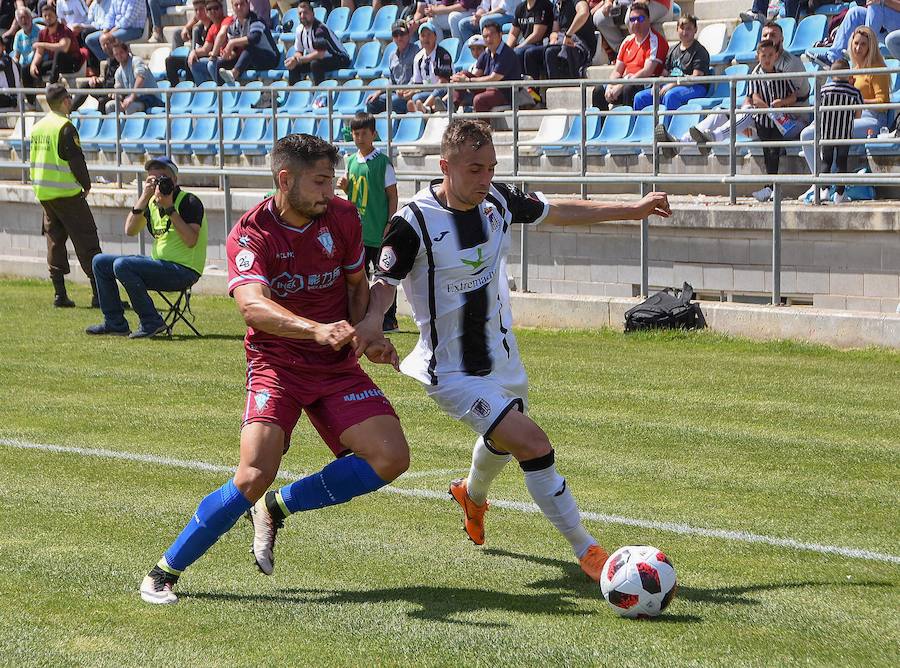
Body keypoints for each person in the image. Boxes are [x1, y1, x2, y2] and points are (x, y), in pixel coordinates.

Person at [356, 119, 671, 583]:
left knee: (505, 439)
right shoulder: (414, 222)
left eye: (491, 168)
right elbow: (384, 285)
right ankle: (588, 551)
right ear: (446, 166)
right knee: (533, 443)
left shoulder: (498, 200)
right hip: (451, 371)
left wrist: (634, 208)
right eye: (474, 170)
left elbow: (561, 209)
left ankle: (471, 494)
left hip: (503, 359)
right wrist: (370, 324)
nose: (485, 179)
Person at [139, 134, 408, 604]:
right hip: (277, 364)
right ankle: (164, 571)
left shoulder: (342, 217)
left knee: (390, 457)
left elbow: (357, 285)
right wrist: (315, 331)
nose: (331, 190)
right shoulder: (250, 233)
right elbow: (253, 307)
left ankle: (279, 506)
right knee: (253, 472)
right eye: (320, 181)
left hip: (335, 365)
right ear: (285, 179)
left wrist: (366, 331)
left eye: (332, 179)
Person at [87, 157, 207, 337]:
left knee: (122, 265)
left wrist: (170, 208)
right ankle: (115, 323)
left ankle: (151, 322)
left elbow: (191, 240)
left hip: (183, 271)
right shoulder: (151, 203)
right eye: (153, 180)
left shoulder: (189, 201)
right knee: (100, 261)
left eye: (162, 179)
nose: (158, 184)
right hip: (158, 265)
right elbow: (130, 230)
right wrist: (144, 197)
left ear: (174, 180)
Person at [680, 20, 807, 150]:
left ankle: (714, 137)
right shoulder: (759, 68)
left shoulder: (791, 64)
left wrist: (748, 116)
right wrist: (742, 121)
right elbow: (749, 98)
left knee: (749, 113)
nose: (768, 38)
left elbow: (789, 101)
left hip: (790, 123)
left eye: (773, 35)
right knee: (721, 112)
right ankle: (681, 143)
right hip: (766, 121)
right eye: (765, 35)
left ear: (782, 39)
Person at [29, 83, 101, 308]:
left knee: (55, 242)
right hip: (67, 193)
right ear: (65, 101)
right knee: (87, 240)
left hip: (45, 194)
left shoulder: (38, 127)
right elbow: (76, 160)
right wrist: (86, 184)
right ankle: (100, 294)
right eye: (69, 98)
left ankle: (59, 294)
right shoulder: (65, 127)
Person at [798, 26, 889, 201]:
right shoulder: (852, 67)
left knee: (831, 131)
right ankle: (819, 181)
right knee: (808, 133)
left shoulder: (877, 67)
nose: (858, 48)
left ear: (871, 46)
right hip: (844, 114)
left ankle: (827, 185)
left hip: (869, 118)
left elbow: (883, 103)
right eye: (856, 43)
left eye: (863, 44)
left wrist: (858, 102)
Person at [338, 113, 400, 333]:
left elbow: (392, 195)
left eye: (364, 133)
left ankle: (389, 319)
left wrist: (390, 223)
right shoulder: (351, 161)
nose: (360, 137)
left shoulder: (383, 163)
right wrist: (345, 187)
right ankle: (361, 316)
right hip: (357, 231)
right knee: (358, 276)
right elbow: (352, 193)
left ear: (374, 134)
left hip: (378, 229)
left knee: (385, 275)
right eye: (356, 133)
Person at [746, 39, 801, 202]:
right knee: (767, 152)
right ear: (758, 57)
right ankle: (770, 186)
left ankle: (771, 187)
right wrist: (769, 109)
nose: (767, 59)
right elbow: (754, 98)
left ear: (776, 55)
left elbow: (793, 96)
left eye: (770, 55)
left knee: (774, 152)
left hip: (779, 122)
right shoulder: (755, 76)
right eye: (764, 56)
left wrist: (781, 103)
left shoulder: (782, 75)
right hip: (763, 121)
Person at [806, 59, 863, 204]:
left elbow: (816, 111)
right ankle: (839, 193)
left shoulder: (823, 90)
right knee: (841, 162)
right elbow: (858, 114)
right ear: (848, 74)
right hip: (844, 133)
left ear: (831, 74)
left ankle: (824, 190)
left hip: (826, 133)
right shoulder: (854, 91)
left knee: (826, 161)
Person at [591, 1, 667, 110]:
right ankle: (602, 125)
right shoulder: (627, 41)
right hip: (625, 82)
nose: (636, 23)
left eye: (640, 19)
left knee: (628, 88)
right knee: (599, 90)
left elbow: (647, 71)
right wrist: (611, 86)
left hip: (645, 83)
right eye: (632, 20)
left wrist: (621, 86)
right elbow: (617, 71)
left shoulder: (655, 41)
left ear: (648, 20)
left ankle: (629, 125)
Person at [635, 13, 708, 111]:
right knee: (640, 97)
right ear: (677, 29)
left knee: (671, 95)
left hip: (695, 86)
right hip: (671, 85)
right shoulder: (672, 50)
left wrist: (673, 84)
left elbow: (696, 78)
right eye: (682, 28)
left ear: (695, 29)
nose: (685, 32)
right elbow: (664, 73)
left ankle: (667, 126)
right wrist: (657, 84)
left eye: (689, 28)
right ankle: (644, 126)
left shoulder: (700, 51)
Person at [807, 0, 900, 69]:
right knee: (855, 12)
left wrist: (883, 1)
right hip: (885, 27)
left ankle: (866, 55)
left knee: (876, 4)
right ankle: (832, 58)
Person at [451, 21, 521, 112]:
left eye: (491, 35)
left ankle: (484, 126)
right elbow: (476, 74)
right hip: (488, 88)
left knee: (479, 100)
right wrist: (460, 79)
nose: (488, 39)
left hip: (504, 93)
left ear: (500, 35)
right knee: (463, 74)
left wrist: (468, 81)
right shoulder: (486, 53)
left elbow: (494, 78)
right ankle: (451, 106)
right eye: (485, 36)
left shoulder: (507, 53)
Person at [209, 0, 279, 85]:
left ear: (248, 4)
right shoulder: (233, 25)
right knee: (221, 63)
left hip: (269, 58)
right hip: (249, 60)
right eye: (236, 5)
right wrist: (230, 55)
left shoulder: (256, 19)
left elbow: (254, 38)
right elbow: (235, 50)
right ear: (232, 7)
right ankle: (221, 93)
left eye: (242, 4)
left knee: (250, 47)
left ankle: (234, 74)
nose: (239, 7)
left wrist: (232, 43)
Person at [285, 0, 350, 85]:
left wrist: (300, 60)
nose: (302, 16)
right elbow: (298, 51)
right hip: (321, 59)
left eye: (305, 13)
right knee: (293, 66)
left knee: (315, 64)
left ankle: (319, 93)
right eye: (300, 13)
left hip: (339, 58)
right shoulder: (299, 30)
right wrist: (295, 59)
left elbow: (320, 54)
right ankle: (294, 93)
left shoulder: (319, 29)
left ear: (312, 13)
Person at [365, 19, 417, 115]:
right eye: (395, 35)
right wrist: (379, 92)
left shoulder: (416, 52)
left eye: (402, 34)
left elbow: (418, 77)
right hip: (395, 93)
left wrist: (406, 89)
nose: (399, 38)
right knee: (372, 103)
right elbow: (391, 81)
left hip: (409, 93)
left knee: (394, 102)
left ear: (408, 35)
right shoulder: (392, 56)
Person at [536, 0, 597, 81]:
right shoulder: (557, 5)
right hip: (562, 41)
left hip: (580, 44)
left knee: (550, 52)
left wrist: (568, 35)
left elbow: (583, 13)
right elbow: (555, 30)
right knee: (530, 54)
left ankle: (556, 89)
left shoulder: (576, 1)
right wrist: (553, 38)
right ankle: (533, 90)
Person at [30, 2, 85, 84]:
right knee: (27, 68)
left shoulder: (64, 29)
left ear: (56, 16)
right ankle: (31, 95)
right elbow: (39, 53)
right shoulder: (42, 33)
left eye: (50, 15)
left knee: (59, 54)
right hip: (55, 62)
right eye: (45, 16)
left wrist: (41, 44)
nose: (48, 18)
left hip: (72, 62)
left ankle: (52, 83)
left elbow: (63, 48)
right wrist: (33, 64)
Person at [105, 41, 163, 114]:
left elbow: (140, 77)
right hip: (134, 100)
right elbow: (119, 90)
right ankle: (116, 125)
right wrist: (117, 97)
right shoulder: (118, 72)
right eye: (116, 54)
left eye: (121, 52)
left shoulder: (136, 61)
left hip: (150, 99)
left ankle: (130, 125)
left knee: (129, 106)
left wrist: (132, 97)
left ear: (127, 51)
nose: (119, 56)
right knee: (110, 106)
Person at [408, 21, 453, 112]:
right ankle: (425, 110)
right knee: (416, 97)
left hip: (444, 89)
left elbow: (444, 81)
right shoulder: (418, 57)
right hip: (426, 90)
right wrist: (409, 92)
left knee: (441, 89)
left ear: (435, 37)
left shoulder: (443, 54)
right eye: (423, 35)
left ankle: (424, 108)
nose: (426, 38)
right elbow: (417, 83)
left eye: (429, 35)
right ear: (419, 38)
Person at [165, 0, 212, 83]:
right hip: (196, 57)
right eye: (196, 10)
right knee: (170, 61)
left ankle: (189, 88)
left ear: (207, 9)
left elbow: (207, 50)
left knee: (190, 60)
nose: (198, 12)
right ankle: (175, 91)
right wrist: (186, 28)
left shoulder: (212, 26)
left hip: (206, 59)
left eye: (201, 9)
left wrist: (195, 53)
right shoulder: (198, 29)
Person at [71, 36, 119, 111]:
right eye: (103, 44)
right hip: (106, 89)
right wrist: (96, 79)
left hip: (115, 92)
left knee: (102, 101)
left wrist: (116, 90)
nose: (106, 46)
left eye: (108, 43)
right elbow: (107, 79)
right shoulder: (109, 61)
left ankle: (101, 120)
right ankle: (70, 110)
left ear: (114, 42)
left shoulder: (120, 59)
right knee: (87, 85)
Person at [188, 0, 231, 84]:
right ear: (206, 12)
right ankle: (204, 93)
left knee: (211, 65)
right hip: (218, 59)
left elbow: (221, 34)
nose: (212, 11)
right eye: (209, 9)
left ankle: (221, 92)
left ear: (221, 9)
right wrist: (194, 52)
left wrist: (214, 53)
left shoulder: (227, 20)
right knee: (195, 64)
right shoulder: (212, 28)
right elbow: (205, 49)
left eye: (216, 8)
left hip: (229, 58)